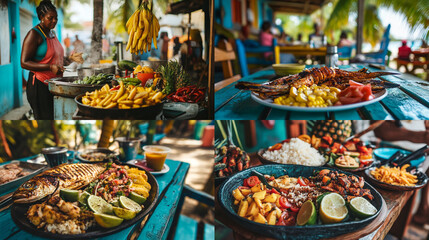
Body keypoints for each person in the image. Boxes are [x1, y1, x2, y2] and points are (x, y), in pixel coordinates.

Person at [21, 0, 83, 119]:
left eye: (56, 18)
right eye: (50, 18)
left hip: (54, 84)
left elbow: (55, 60)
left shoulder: (52, 33)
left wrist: (70, 59)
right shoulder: (34, 35)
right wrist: (49, 67)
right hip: (39, 86)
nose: (54, 21)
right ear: (41, 17)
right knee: (45, 118)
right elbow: (24, 62)